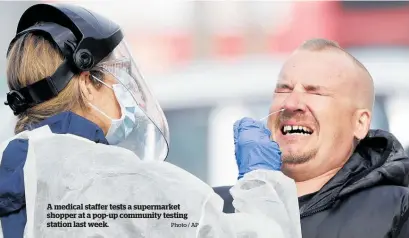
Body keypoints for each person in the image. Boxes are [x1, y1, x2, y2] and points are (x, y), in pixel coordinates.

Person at [0, 3, 303, 238]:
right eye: (111, 74)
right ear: (86, 82)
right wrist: (263, 181)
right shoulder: (118, 181)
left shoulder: (11, 163)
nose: (119, 88)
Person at [214, 38, 409, 238]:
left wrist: (260, 206)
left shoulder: (397, 210)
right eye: (284, 89)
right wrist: (254, 194)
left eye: (315, 92)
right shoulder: (212, 208)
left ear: (359, 123)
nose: (291, 103)